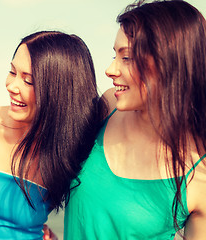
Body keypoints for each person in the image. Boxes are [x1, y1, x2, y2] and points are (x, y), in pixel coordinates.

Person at [0, 30, 106, 239]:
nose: (11, 86)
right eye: (12, 72)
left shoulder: (72, 148)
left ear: (58, 91)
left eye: (29, 80)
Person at [64, 0, 206, 239]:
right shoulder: (107, 106)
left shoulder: (199, 176)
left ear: (170, 63)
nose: (110, 69)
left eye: (127, 58)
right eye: (114, 55)